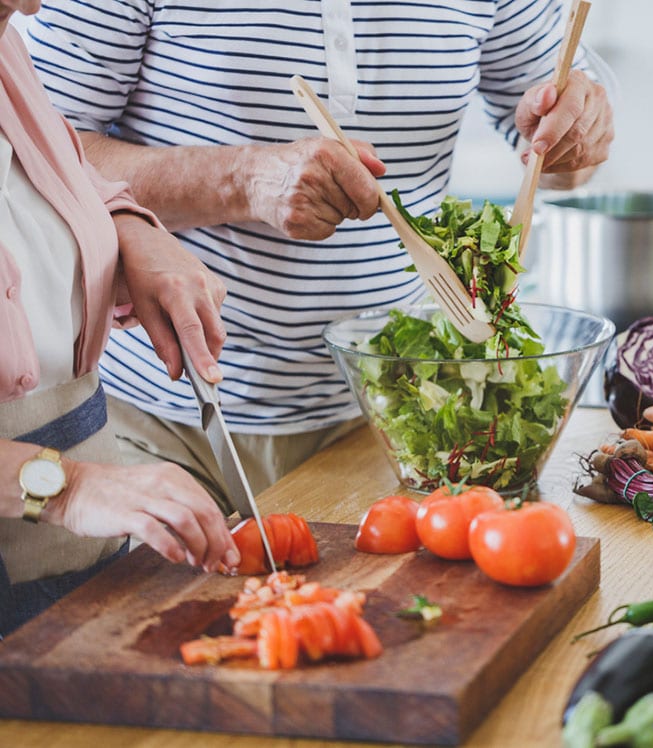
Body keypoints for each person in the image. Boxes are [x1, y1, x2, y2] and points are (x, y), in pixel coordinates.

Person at [18, 0, 615, 512]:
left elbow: (561, 155)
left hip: (392, 421)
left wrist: (576, 135)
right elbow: (30, 155)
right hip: (167, 421)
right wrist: (244, 180)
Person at [0, 0, 239, 637]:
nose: (32, 7)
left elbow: (59, 169)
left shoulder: (5, 51)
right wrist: (69, 489)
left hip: (72, 560)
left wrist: (129, 228)